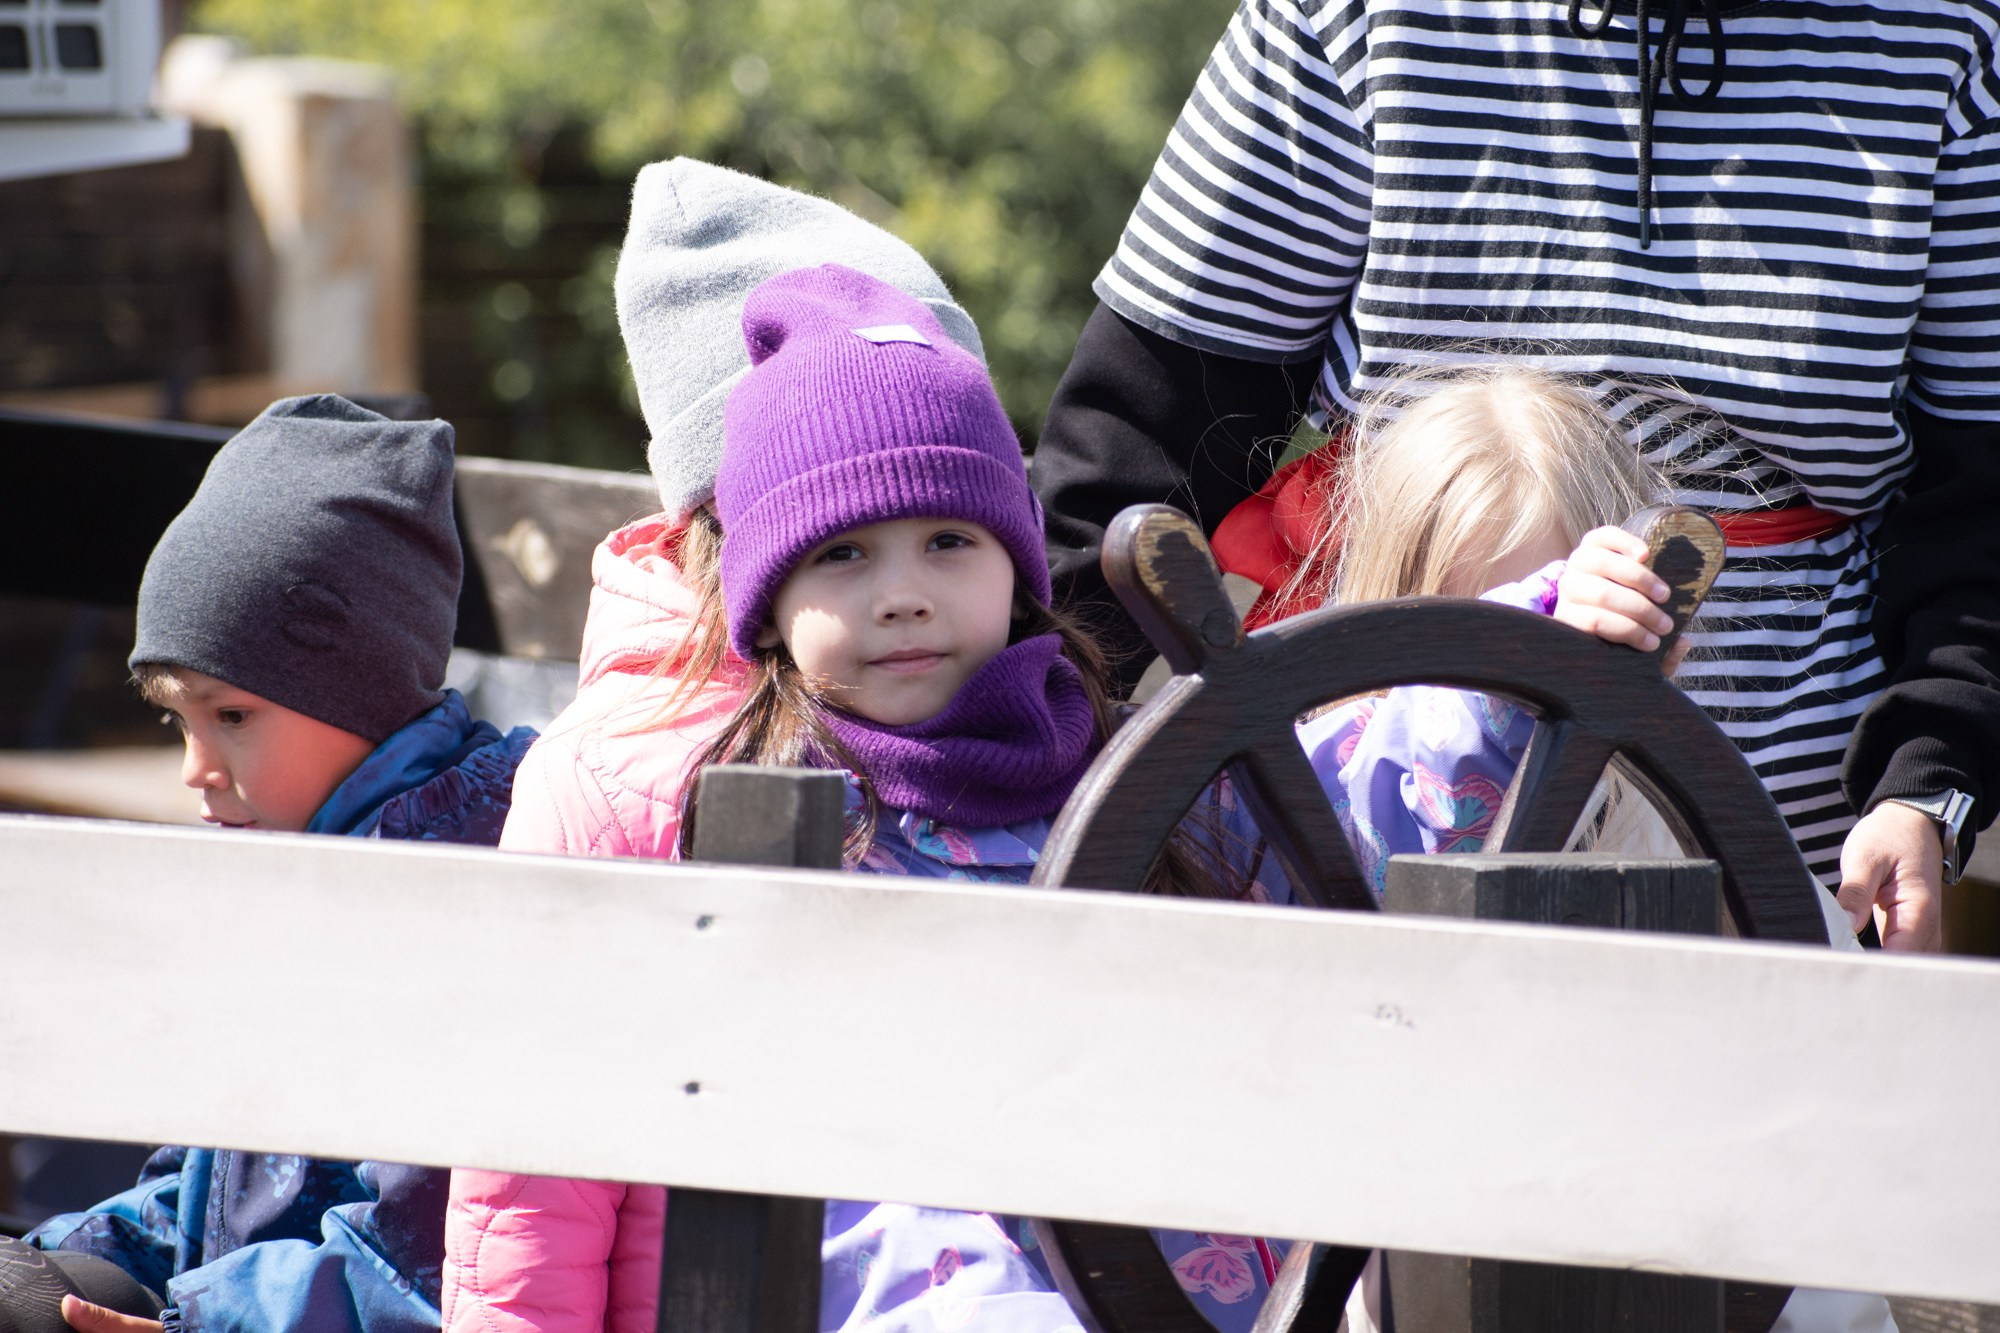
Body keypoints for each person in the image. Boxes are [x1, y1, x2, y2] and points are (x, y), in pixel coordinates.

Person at [443, 269, 1685, 1333]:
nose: (902, 593)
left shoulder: (1113, 760)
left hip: (1176, 1264)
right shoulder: (756, 812)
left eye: (949, 542)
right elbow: (637, 1150)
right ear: (765, 603)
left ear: (1019, 566)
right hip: (917, 1271)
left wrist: (1534, 639)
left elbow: (1350, 779)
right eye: (841, 554)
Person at [1029, 0, 2000, 951]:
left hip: (1783, 859)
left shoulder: (1950, 37)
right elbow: (1127, 462)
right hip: (1361, 840)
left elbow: (1981, 512)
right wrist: (1022, 748)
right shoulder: (1351, 20)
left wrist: (1924, 783)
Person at [25, 395, 536, 1333]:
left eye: (232, 716)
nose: (194, 767)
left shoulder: (457, 894)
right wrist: (71, 1260)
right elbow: (210, 1186)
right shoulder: (296, 871)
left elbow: (428, 1257)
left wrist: (196, 1320)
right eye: (177, 719)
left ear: (360, 689)